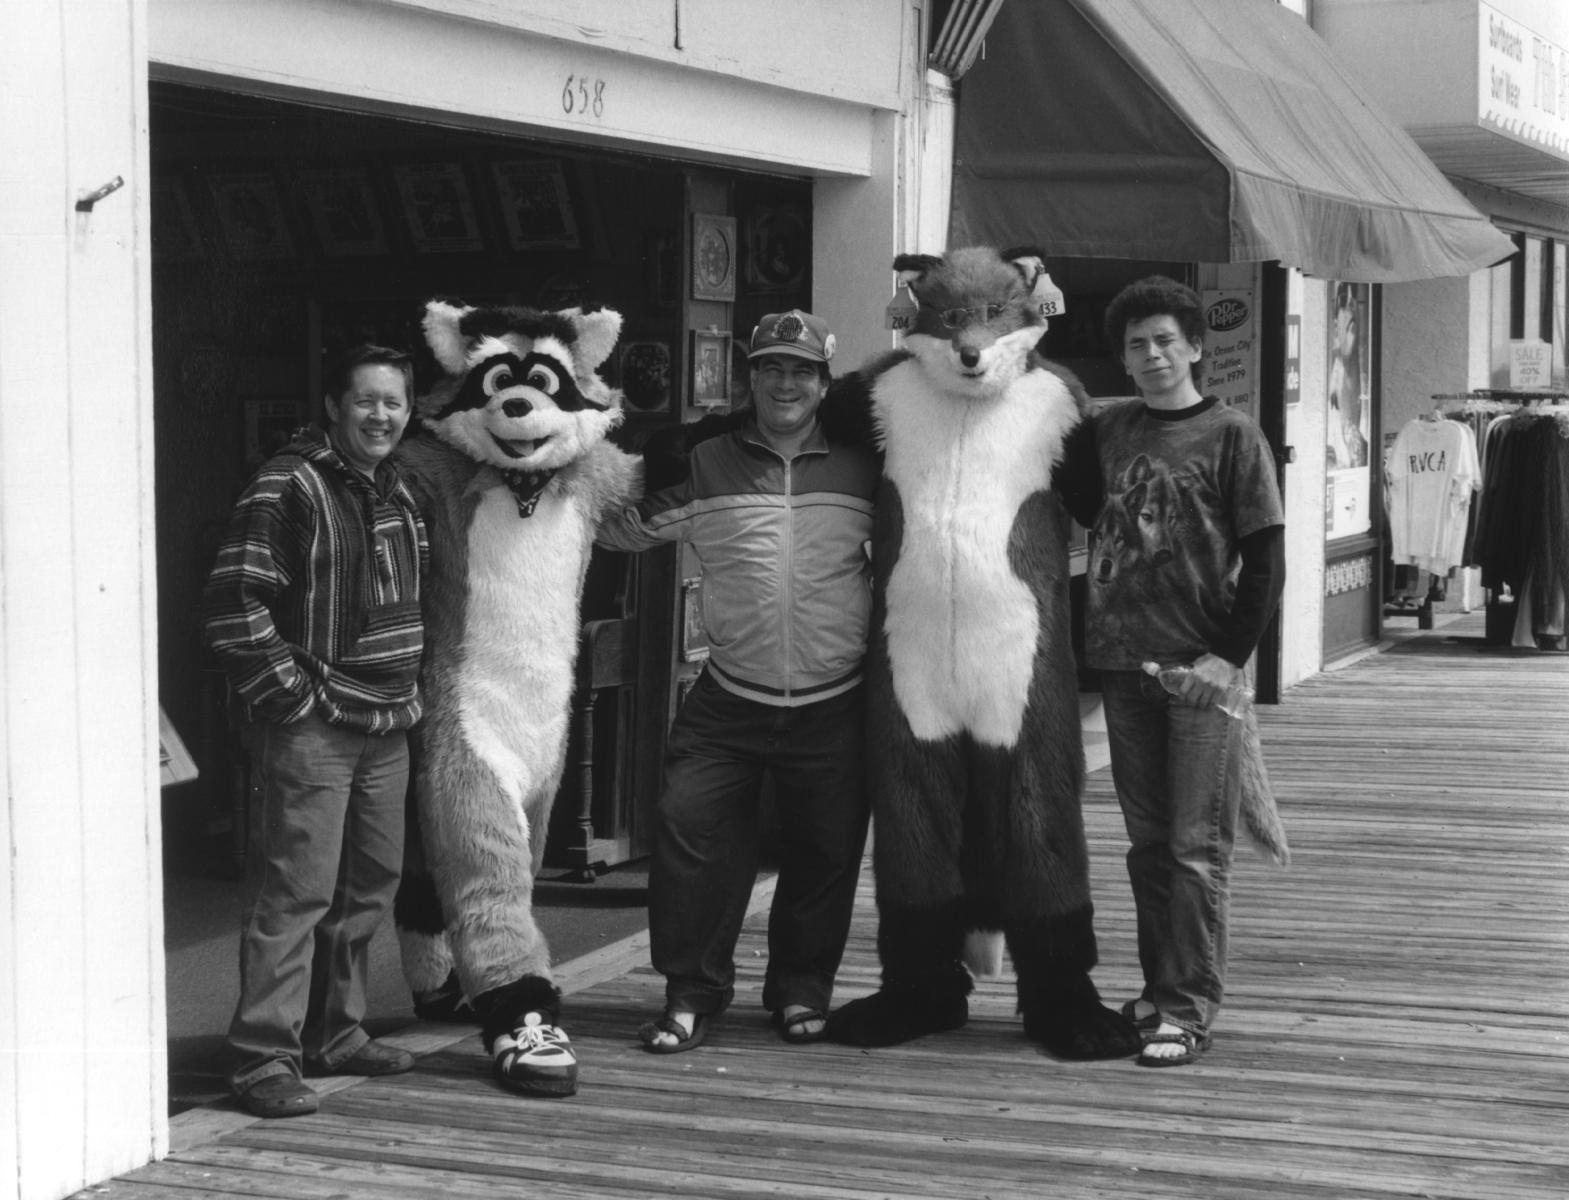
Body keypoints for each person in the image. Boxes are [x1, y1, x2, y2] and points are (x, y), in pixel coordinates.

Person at [597, 310, 878, 1052]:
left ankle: (800, 990)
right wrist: (544, 480)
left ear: (824, 384)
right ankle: (691, 993)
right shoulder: (705, 461)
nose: (785, 383)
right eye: (770, 368)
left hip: (834, 700)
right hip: (728, 700)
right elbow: (618, 528)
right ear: (748, 378)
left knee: (825, 853)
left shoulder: (863, 465)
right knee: (689, 831)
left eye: (801, 371)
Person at [202, 344, 429, 1116]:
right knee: (294, 892)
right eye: (365, 400)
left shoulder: (398, 487)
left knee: (368, 887)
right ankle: (262, 1058)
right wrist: (290, 696)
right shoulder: (289, 482)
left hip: (388, 721)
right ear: (334, 406)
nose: (380, 416)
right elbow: (233, 600)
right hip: (315, 724)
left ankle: (335, 1032)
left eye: (394, 403)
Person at [1082, 276, 1285, 1066]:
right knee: (1147, 846)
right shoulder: (1108, 430)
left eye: (1165, 339)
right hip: (1121, 667)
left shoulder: (1233, 435)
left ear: (1195, 346)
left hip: (1200, 672)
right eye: (1136, 344)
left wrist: (1225, 659)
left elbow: (1264, 562)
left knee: (1197, 849)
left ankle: (1187, 1009)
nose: (1152, 354)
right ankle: (1156, 989)